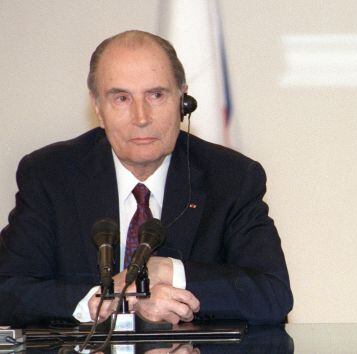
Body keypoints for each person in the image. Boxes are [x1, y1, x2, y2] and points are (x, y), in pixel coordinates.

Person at [0, 30, 292, 326]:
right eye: (122, 98)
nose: (141, 117)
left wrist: (169, 272)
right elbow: (7, 289)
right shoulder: (51, 175)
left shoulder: (231, 178)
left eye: (156, 95)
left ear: (183, 100)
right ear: (98, 108)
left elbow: (272, 294)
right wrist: (102, 302)